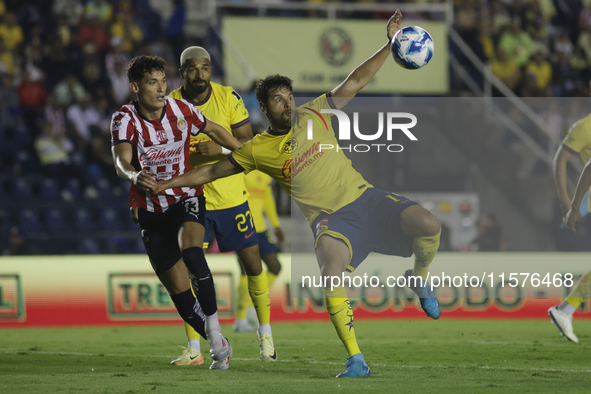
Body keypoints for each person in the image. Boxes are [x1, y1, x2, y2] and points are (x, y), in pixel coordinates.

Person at [138, 11, 442, 378]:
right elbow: (209, 171)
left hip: (366, 199)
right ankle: (356, 358)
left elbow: (357, 79)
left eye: (289, 96)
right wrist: (164, 184)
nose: (287, 103)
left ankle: (419, 276)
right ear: (264, 108)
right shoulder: (257, 149)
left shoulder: (317, 113)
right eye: (278, 100)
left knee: (428, 223)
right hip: (330, 221)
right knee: (331, 273)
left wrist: (390, 42)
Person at [110, 55, 239, 369]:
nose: (160, 88)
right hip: (151, 210)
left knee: (194, 254)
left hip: (187, 198)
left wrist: (243, 152)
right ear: (135, 87)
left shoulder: (182, 110)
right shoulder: (124, 118)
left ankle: (216, 327)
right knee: (181, 298)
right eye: (152, 83)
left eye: (163, 81)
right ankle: (217, 343)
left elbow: (215, 130)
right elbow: (121, 161)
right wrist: (133, 175)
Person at [167, 46, 276, 366]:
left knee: (253, 264)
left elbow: (247, 144)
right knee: (186, 272)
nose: (199, 73)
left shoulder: (229, 98)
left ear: (210, 70)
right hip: (191, 198)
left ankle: (265, 334)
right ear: (182, 71)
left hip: (230, 196)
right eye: (192, 68)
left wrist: (217, 145)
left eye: (205, 67)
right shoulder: (170, 103)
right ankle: (194, 348)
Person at [550, 108, 591, 343]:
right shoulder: (584, 127)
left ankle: (566, 309)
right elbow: (586, 168)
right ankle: (566, 309)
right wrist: (571, 206)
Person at [233, 170, 284, 332]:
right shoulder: (240, 168)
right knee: (245, 271)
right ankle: (240, 320)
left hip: (261, 228)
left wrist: (275, 225)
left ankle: (249, 305)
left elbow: (267, 197)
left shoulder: (265, 171)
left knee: (275, 266)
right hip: (242, 226)